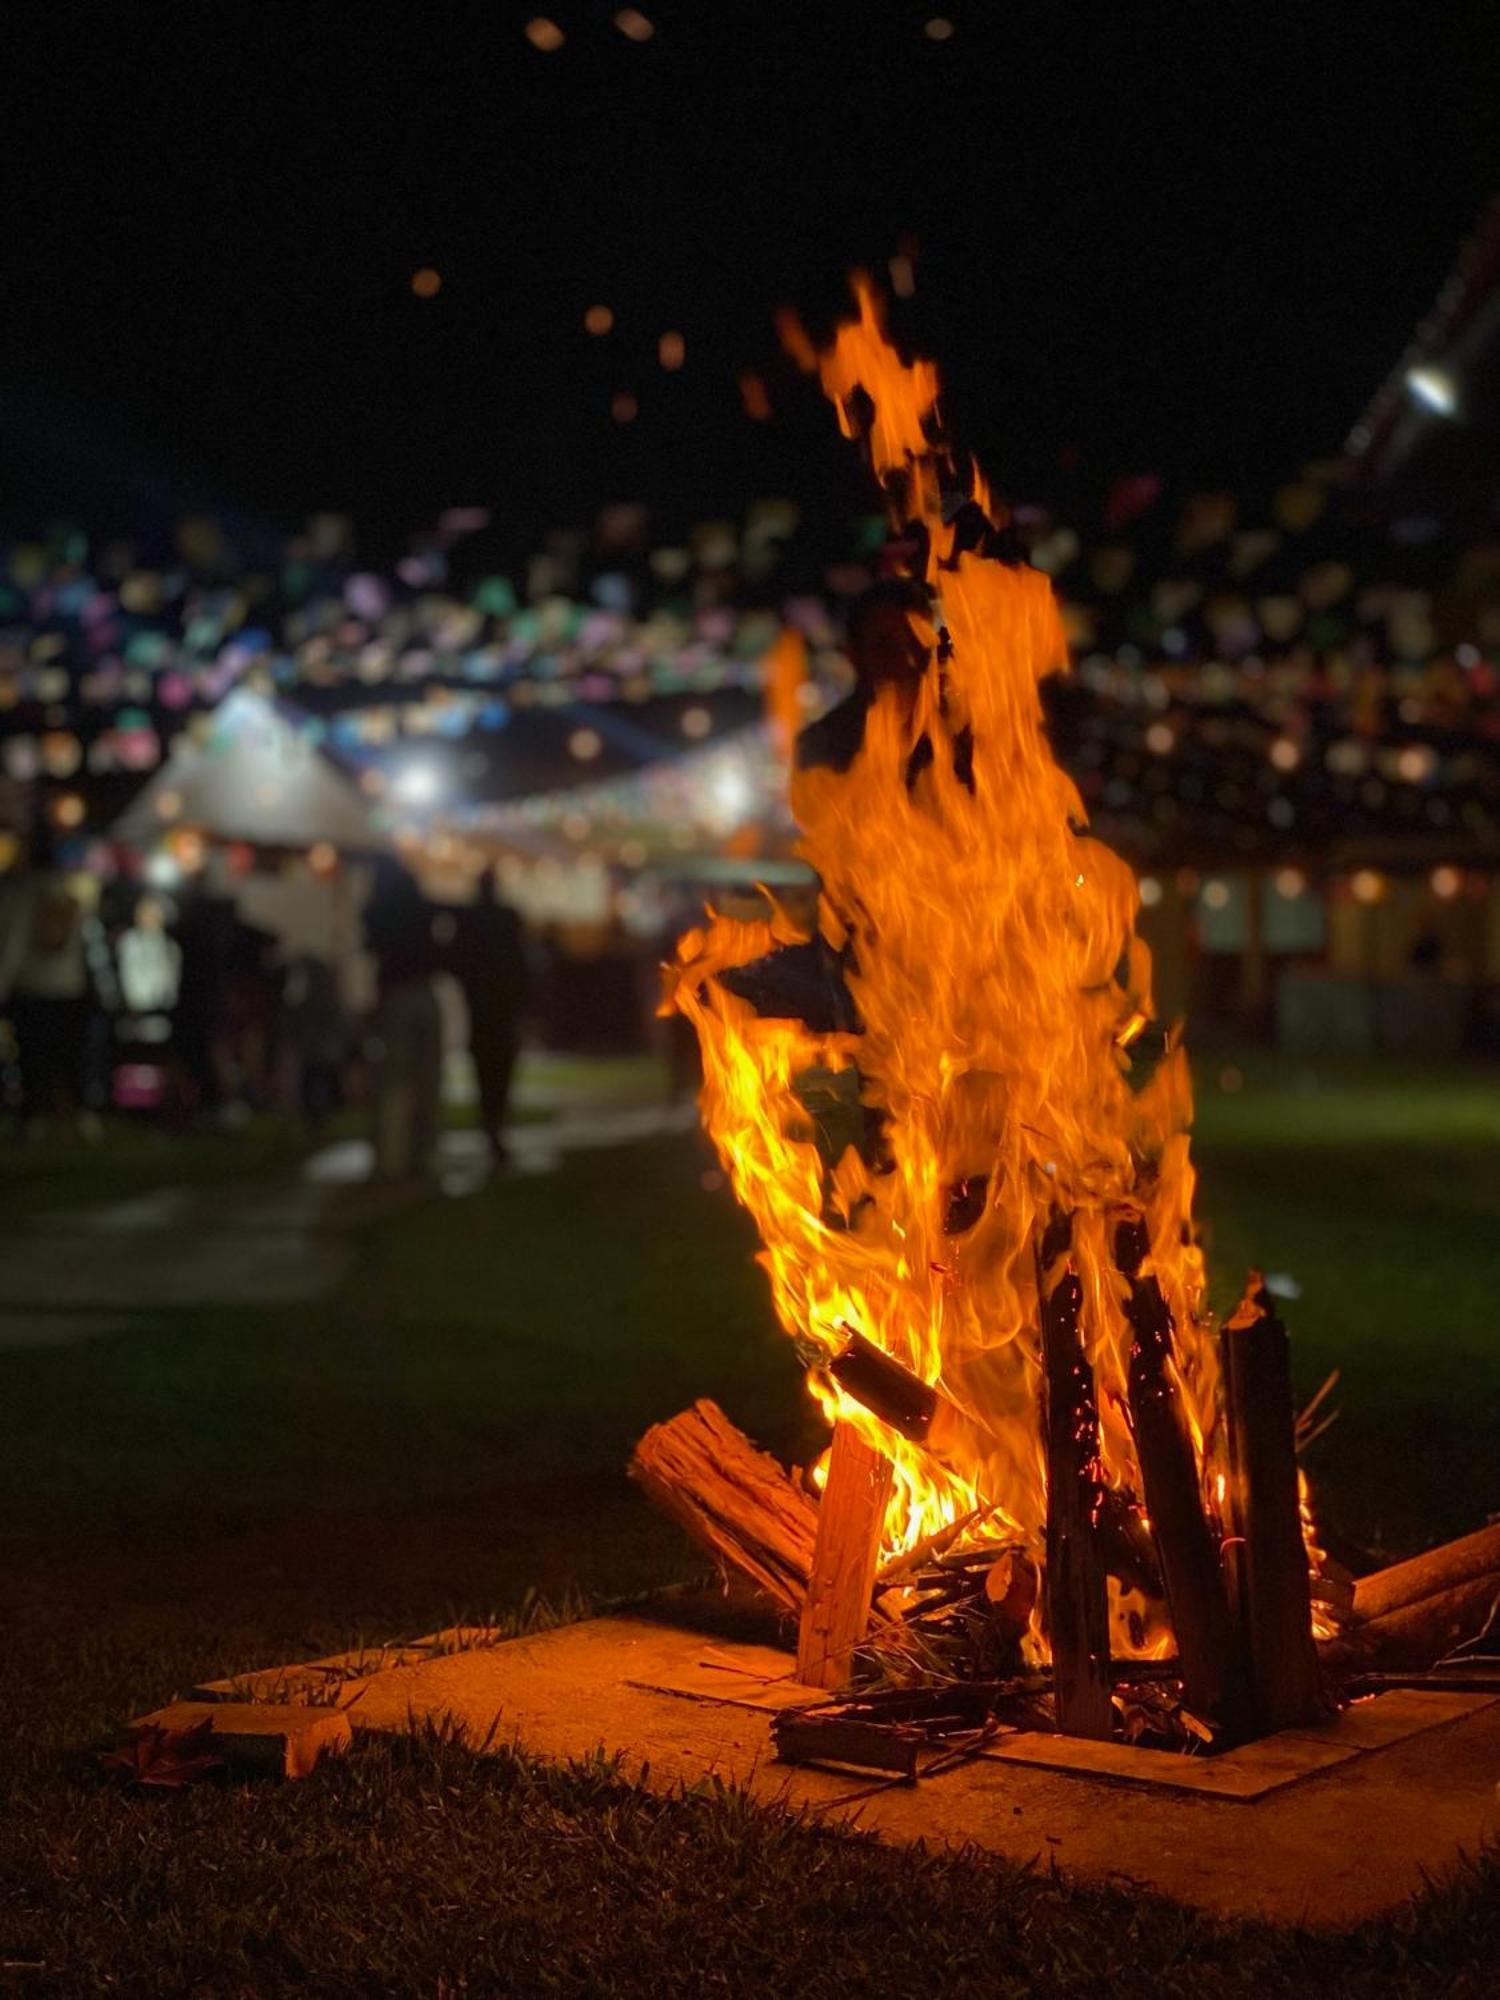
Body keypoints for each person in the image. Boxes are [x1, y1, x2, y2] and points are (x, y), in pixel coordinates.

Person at [0, 829, 98, 1133]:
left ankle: (33, 1116)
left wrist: (3, 984)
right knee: (68, 1056)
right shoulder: (69, 895)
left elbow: (13, 945)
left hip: (33, 986)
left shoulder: (22, 895)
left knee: (32, 1056)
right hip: (69, 986)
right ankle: (78, 1113)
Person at [363, 856, 442, 1181]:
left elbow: (369, 944)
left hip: (396, 995)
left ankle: (391, 1156)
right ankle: (421, 1152)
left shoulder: (377, 911)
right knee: (427, 1077)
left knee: (394, 1079)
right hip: (422, 992)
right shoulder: (421, 908)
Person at [452, 870, 528, 1162]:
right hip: (499, 1008)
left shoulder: (472, 920)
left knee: (488, 1069)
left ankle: (492, 1126)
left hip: (486, 1008)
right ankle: (495, 1127)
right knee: (499, 1069)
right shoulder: (505, 919)